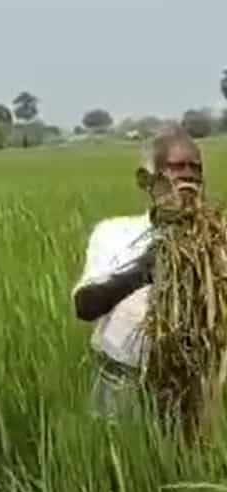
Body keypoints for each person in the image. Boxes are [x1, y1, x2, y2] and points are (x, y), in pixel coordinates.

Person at [72, 131, 205, 418]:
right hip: (122, 382)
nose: (188, 176)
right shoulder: (115, 233)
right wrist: (144, 270)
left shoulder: (216, 244)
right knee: (115, 458)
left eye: (195, 169)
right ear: (147, 179)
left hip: (195, 388)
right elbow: (85, 306)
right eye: (177, 166)